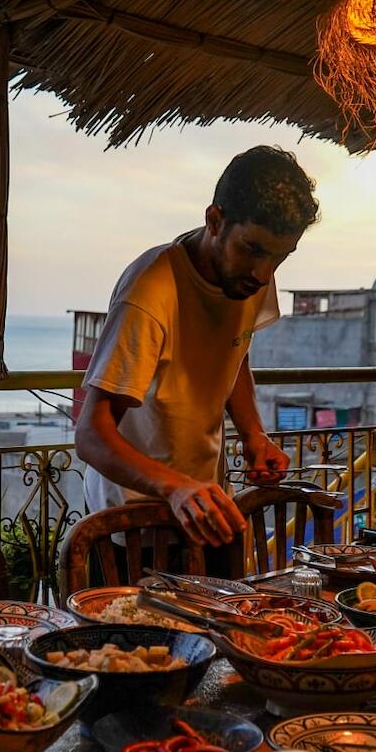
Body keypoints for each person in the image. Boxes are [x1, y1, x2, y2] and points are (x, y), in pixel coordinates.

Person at [75, 145, 320, 548]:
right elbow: (91, 434)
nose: (263, 275)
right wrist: (175, 488)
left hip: (203, 507)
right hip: (132, 523)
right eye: (253, 250)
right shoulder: (150, 294)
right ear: (215, 220)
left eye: (280, 257)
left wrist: (253, 434)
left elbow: (233, 350)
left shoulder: (248, 276)